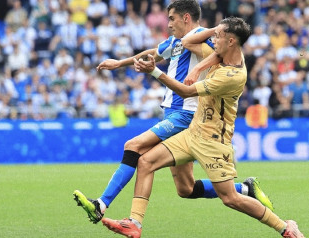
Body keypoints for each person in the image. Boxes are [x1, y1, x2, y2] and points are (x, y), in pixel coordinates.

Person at [101, 17, 305, 238]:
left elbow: (187, 92)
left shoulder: (233, 76)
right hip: (192, 133)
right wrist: (211, 36)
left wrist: (155, 72)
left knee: (230, 199)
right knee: (146, 161)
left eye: (217, 36)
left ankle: (285, 228)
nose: (212, 39)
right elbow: (188, 42)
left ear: (231, 41)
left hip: (213, 142)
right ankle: (134, 224)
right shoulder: (223, 54)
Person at [73, 0, 273, 224]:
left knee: (134, 147)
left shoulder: (205, 39)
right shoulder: (176, 42)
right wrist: (120, 63)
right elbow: (155, 53)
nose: (168, 24)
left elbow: (222, 55)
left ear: (186, 18)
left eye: (172, 19)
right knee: (185, 188)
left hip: (186, 113)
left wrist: (199, 65)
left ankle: (101, 204)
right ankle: (244, 189)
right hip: (171, 112)